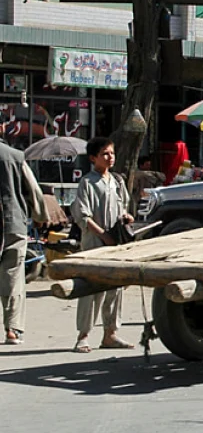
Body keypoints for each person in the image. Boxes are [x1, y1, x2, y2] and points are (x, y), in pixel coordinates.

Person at [71, 137, 133, 353]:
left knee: (115, 290)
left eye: (112, 153)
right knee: (90, 290)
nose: (110, 157)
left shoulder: (117, 181)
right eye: (105, 153)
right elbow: (83, 216)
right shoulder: (87, 183)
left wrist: (126, 217)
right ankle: (83, 335)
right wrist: (103, 235)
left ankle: (110, 334)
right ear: (93, 158)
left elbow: (123, 206)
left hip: (115, 245)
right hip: (94, 244)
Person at [0, 139, 46, 345]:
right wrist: (40, 216)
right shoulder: (15, 156)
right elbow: (33, 190)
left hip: (12, 223)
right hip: (14, 223)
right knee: (13, 277)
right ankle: (12, 329)